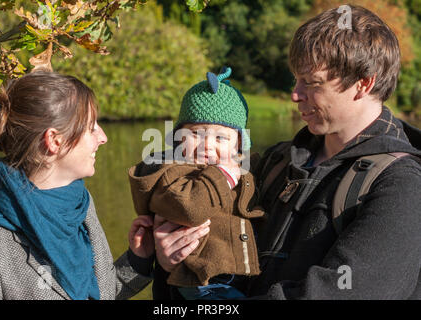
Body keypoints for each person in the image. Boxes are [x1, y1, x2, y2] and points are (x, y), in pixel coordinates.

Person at [152, 5, 421, 299]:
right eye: (296, 79)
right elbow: (225, 273)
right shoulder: (275, 163)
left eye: (311, 82)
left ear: (363, 83)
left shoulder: (402, 184)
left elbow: (344, 293)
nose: (295, 94)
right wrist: (176, 266)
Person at [0, 71, 156, 300]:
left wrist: (139, 259)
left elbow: (98, 293)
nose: (103, 137)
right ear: (55, 141)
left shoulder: (81, 206)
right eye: (91, 128)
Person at [128, 67, 265, 299]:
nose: (207, 145)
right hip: (199, 281)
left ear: (239, 144)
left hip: (236, 278)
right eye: (195, 134)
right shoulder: (170, 173)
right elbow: (188, 208)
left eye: (220, 137)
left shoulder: (242, 169)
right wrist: (222, 177)